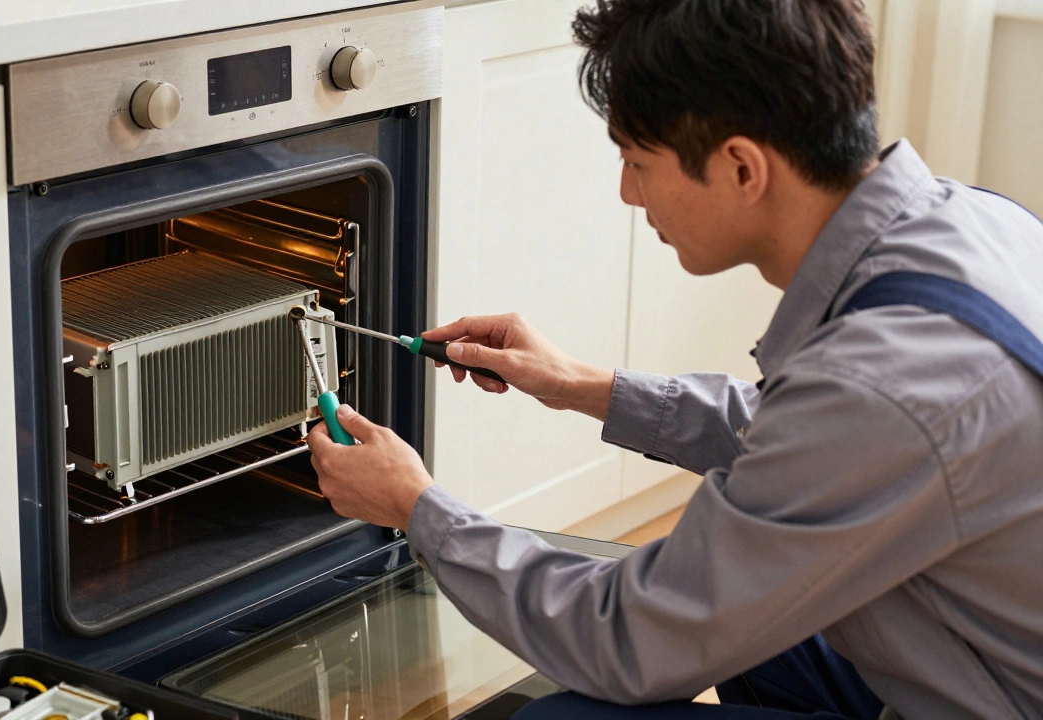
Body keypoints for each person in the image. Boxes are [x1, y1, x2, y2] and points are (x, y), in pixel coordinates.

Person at [306, 0, 1043, 717]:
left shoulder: (881, 387)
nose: (628, 192)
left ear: (742, 169)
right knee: (748, 615)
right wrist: (581, 384)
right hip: (976, 652)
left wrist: (418, 508)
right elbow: (817, 448)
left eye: (637, 161)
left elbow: (621, 637)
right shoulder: (971, 221)